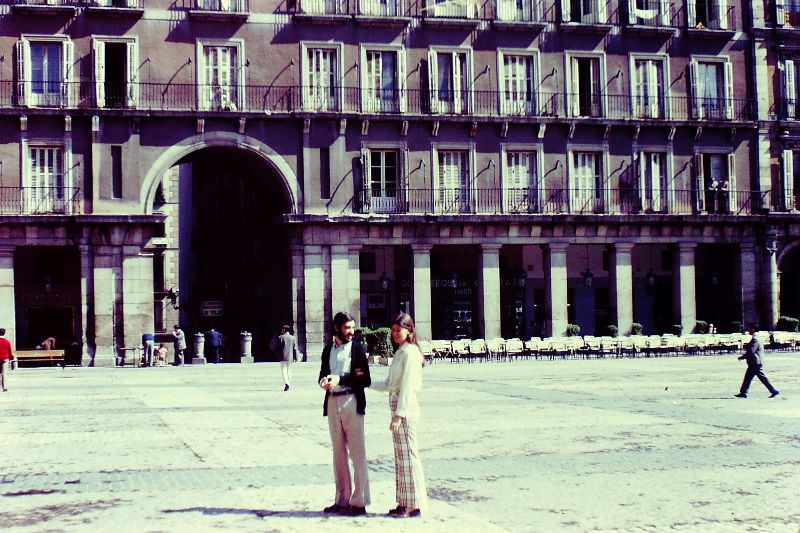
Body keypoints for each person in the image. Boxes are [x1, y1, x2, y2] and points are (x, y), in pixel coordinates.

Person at [371, 313, 428, 518]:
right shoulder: (400, 352)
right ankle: (404, 501)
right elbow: (389, 385)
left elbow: (407, 387)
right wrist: (365, 382)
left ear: (409, 330)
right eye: (393, 330)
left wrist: (399, 415)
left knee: (409, 456)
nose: (395, 334)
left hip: (405, 408)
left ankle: (414, 505)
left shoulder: (410, 353)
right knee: (401, 457)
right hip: (397, 405)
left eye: (399, 330)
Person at [318, 311, 371, 516]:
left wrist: (341, 378)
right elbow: (323, 374)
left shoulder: (357, 348)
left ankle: (359, 502)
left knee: (358, 453)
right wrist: (324, 382)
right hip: (332, 402)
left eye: (352, 327)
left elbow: (364, 379)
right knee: (338, 453)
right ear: (337, 328)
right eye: (347, 327)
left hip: (352, 401)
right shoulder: (327, 350)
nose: (351, 331)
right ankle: (341, 499)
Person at [735, 324, 779, 399]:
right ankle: (743, 392)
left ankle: (773, 390)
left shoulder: (755, 339)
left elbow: (752, 351)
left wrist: (743, 357)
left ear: (753, 329)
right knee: (748, 377)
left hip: (755, 362)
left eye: (749, 329)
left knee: (761, 378)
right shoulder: (757, 338)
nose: (748, 331)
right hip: (755, 362)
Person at [279, 324, 297, 391]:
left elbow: (278, 348)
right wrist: (296, 357)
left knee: (284, 370)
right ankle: (288, 383)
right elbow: (294, 348)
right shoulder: (293, 338)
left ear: (284, 330)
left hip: (283, 356)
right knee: (289, 370)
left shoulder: (280, 337)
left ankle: (286, 383)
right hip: (290, 356)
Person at [0, 328, 13, 392]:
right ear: (4, 333)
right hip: (5, 358)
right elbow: (9, 351)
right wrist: (10, 358)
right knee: (4, 373)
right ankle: (4, 387)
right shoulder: (7, 341)